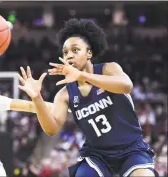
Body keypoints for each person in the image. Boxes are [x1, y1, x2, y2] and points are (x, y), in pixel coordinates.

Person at [18, 19, 157, 177]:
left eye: (75, 50)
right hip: (97, 155)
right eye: (65, 52)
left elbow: (126, 85)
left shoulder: (108, 69)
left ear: (89, 53)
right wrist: (37, 98)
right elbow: (52, 129)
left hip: (131, 149)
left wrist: (82, 75)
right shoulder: (65, 94)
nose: (69, 55)